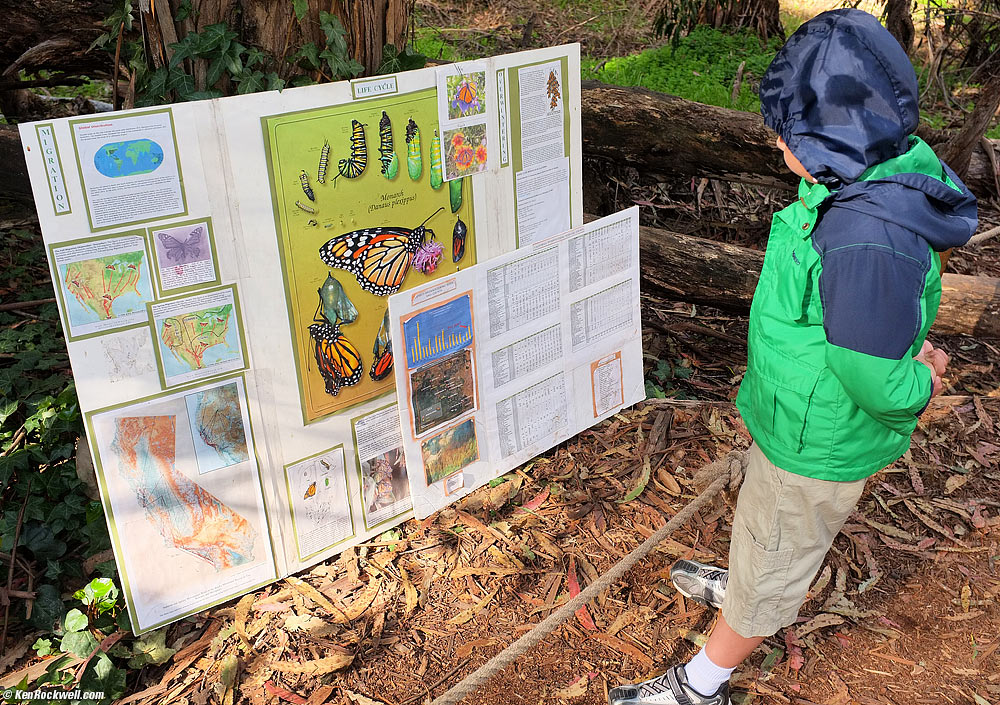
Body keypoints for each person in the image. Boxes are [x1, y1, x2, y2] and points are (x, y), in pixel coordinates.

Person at [609, 9, 977, 705]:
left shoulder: (866, 235)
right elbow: (865, 324)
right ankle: (752, 578)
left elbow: (871, 370)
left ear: (838, 137)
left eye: (791, 130)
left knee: (778, 547)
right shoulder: (858, 178)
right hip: (796, 416)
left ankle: (705, 678)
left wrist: (918, 380)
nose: (776, 138)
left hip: (815, 440)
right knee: (769, 525)